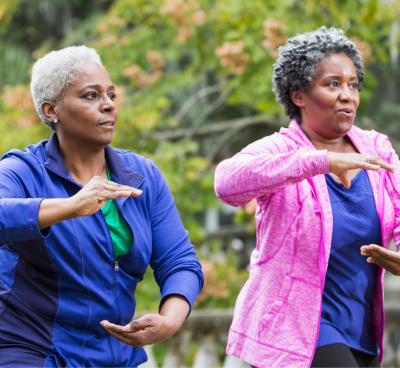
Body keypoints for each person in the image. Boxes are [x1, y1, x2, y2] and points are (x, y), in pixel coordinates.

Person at [0, 46, 204, 367]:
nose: (108, 105)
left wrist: (170, 320)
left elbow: (179, 261)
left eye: (111, 94)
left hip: (114, 354)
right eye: (91, 96)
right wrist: (70, 206)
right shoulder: (22, 170)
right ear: (52, 110)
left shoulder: (141, 175)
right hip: (31, 349)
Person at [214, 27, 400, 368]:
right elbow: (227, 184)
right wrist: (322, 160)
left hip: (359, 330)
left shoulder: (376, 148)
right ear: (298, 95)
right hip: (296, 331)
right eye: (333, 84)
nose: (348, 95)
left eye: (353, 84)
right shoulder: (281, 150)